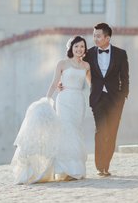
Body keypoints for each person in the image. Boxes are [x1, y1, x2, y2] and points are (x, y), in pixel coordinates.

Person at [11, 36, 91, 184]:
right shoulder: (62, 63)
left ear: (85, 49)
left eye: (82, 47)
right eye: (76, 46)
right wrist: (47, 99)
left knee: (76, 130)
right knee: (66, 130)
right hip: (64, 99)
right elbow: (54, 83)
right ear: (71, 48)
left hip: (79, 101)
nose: (79, 49)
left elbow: (91, 84)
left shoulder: (86, 66)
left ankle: (75, 169)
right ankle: (65, 170)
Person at [83, 22, 129, 177]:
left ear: (107, 37)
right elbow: (75, 65)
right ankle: (99, 165)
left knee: (112, 132)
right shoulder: (88, 53)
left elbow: (125, 78)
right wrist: (63, 82)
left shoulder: (121, 54)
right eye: (94, 35)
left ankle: (106, 165)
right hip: (98, 97)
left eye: (98, 36)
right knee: (101, 130)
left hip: (115, 99)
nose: (95, 38)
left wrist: (123, 97)